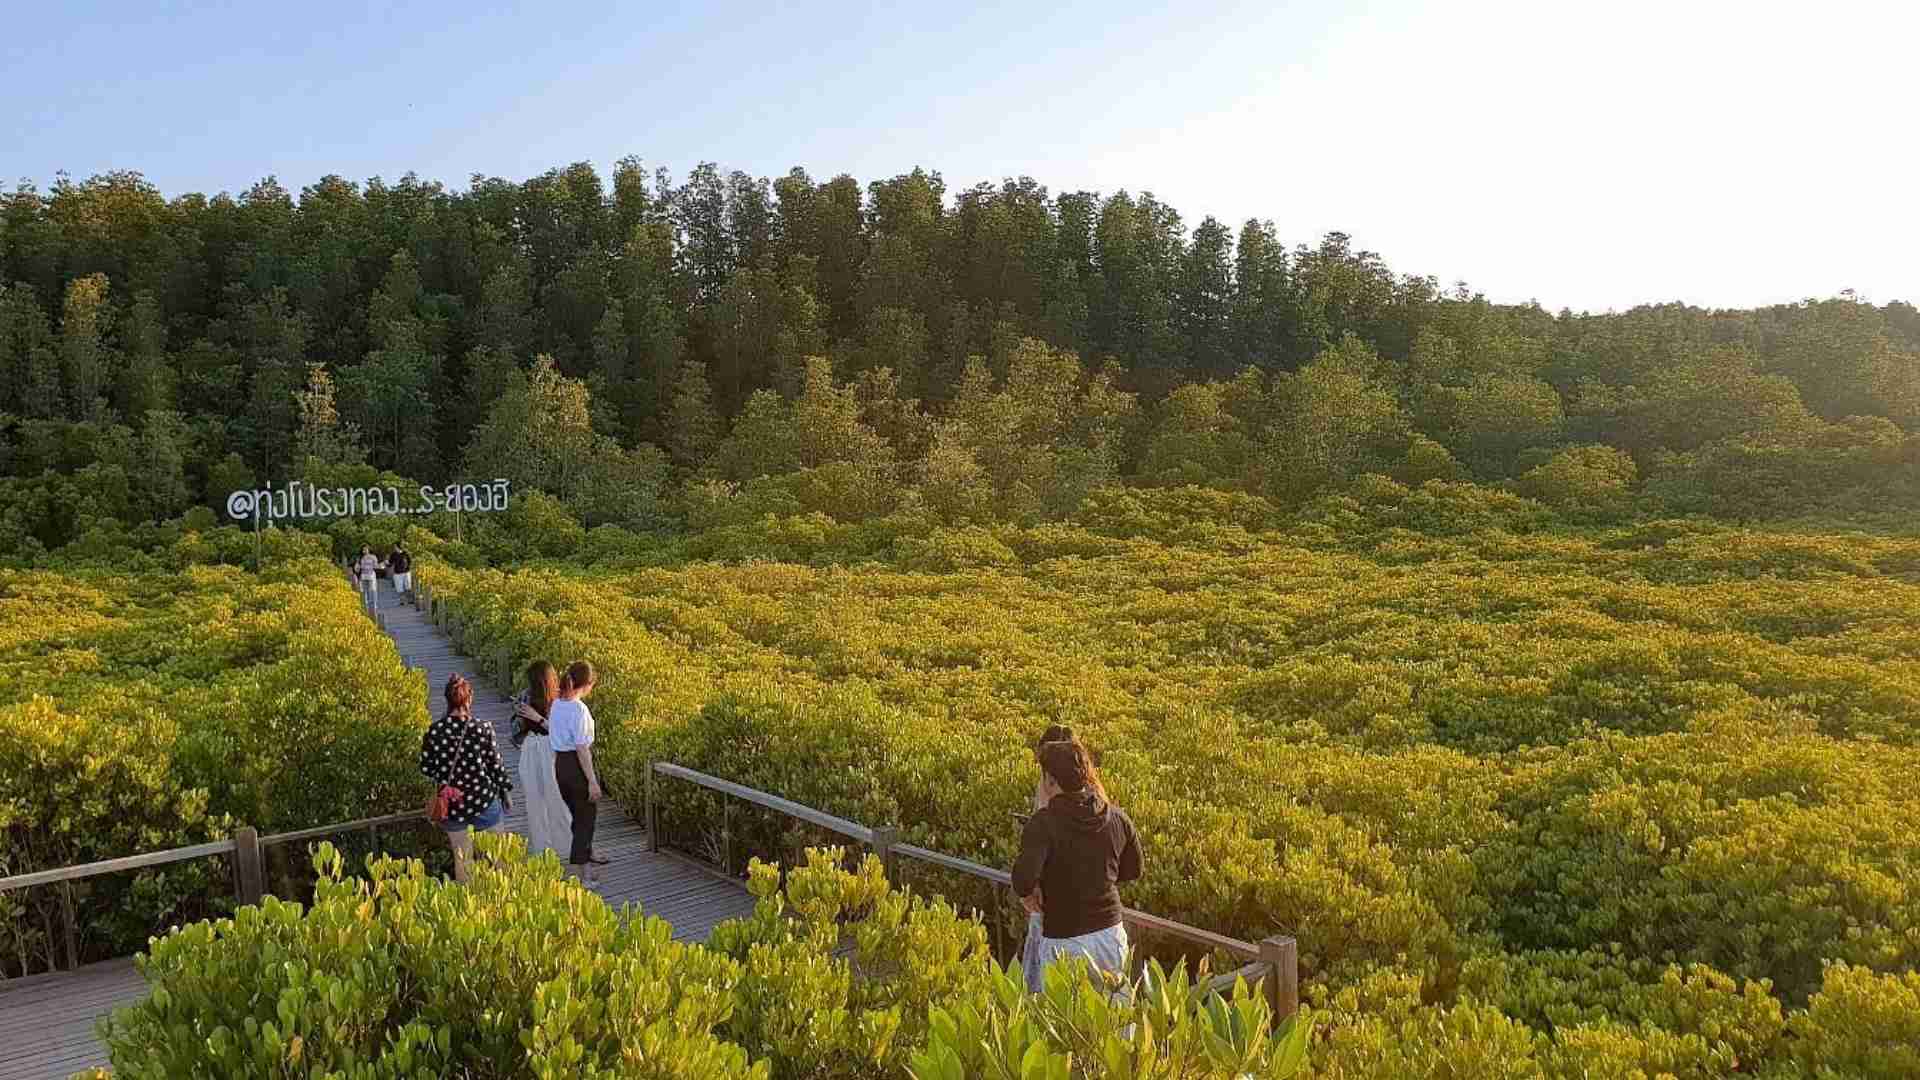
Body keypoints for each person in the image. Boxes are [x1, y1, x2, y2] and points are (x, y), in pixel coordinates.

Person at [1012, 735, 1142, 995]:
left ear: (1050, 780)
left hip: (1064, 940)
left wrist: (1032, 893)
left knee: (1066, 1026)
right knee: (1116, 1021)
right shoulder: (1117, 817)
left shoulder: (1043, 823)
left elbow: (1023, 880)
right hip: (1110, 935)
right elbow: (1134, 869)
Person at [1019, 725, 1109, 992]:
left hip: (1061, 922)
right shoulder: (1099, 800)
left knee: (1056, 999)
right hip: (1102, 922)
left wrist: (1029, 891)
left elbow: (1027, 873)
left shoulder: (1049, 797)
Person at [418, 674, 512, 883]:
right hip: (483, 798)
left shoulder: (435, 732)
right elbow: (495, 766)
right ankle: (503, 901)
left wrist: (445, 777)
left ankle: (468, 905)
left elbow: (426, 767)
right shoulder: (483, 728)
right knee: (498, 857)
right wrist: (505, 791)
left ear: (447, 700)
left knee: (462, 859)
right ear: (469, 699)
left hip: (452, 804)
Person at [547, 660, 606, 886]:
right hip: (576, 766)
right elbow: (582, 749)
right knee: (585, 820)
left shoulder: (557, 704)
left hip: (561, 765)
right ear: (587, 684)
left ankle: (587, 855)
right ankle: (584, 875)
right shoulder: (578, 709)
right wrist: (592, 781)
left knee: (578, 815)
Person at [511, 660, 573, 862]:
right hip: (531, 748)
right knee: (534, 802)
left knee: (558, 802)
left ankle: (567, 849)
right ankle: (543, 852)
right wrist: (520, 718)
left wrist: (537, 718)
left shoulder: (561, 700)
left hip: (551, 749)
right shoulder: (525, 695)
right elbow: (515, 730)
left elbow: (563, 734)